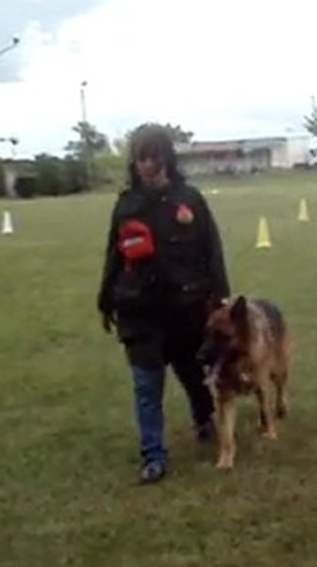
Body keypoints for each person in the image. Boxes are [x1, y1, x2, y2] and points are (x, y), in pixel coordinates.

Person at [97, 123, 231, 484]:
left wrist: (219, 296)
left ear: (166, 158)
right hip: (139, 311)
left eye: (154, 156)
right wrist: (105, 299)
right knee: (146, 386)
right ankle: (153, 455)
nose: (148, 164)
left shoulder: (190, 200)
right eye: (141, 157)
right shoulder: (126, 206)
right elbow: (113, 254)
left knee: (193, 377)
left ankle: (204, 418)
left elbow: (211, 250)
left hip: (186, 310)